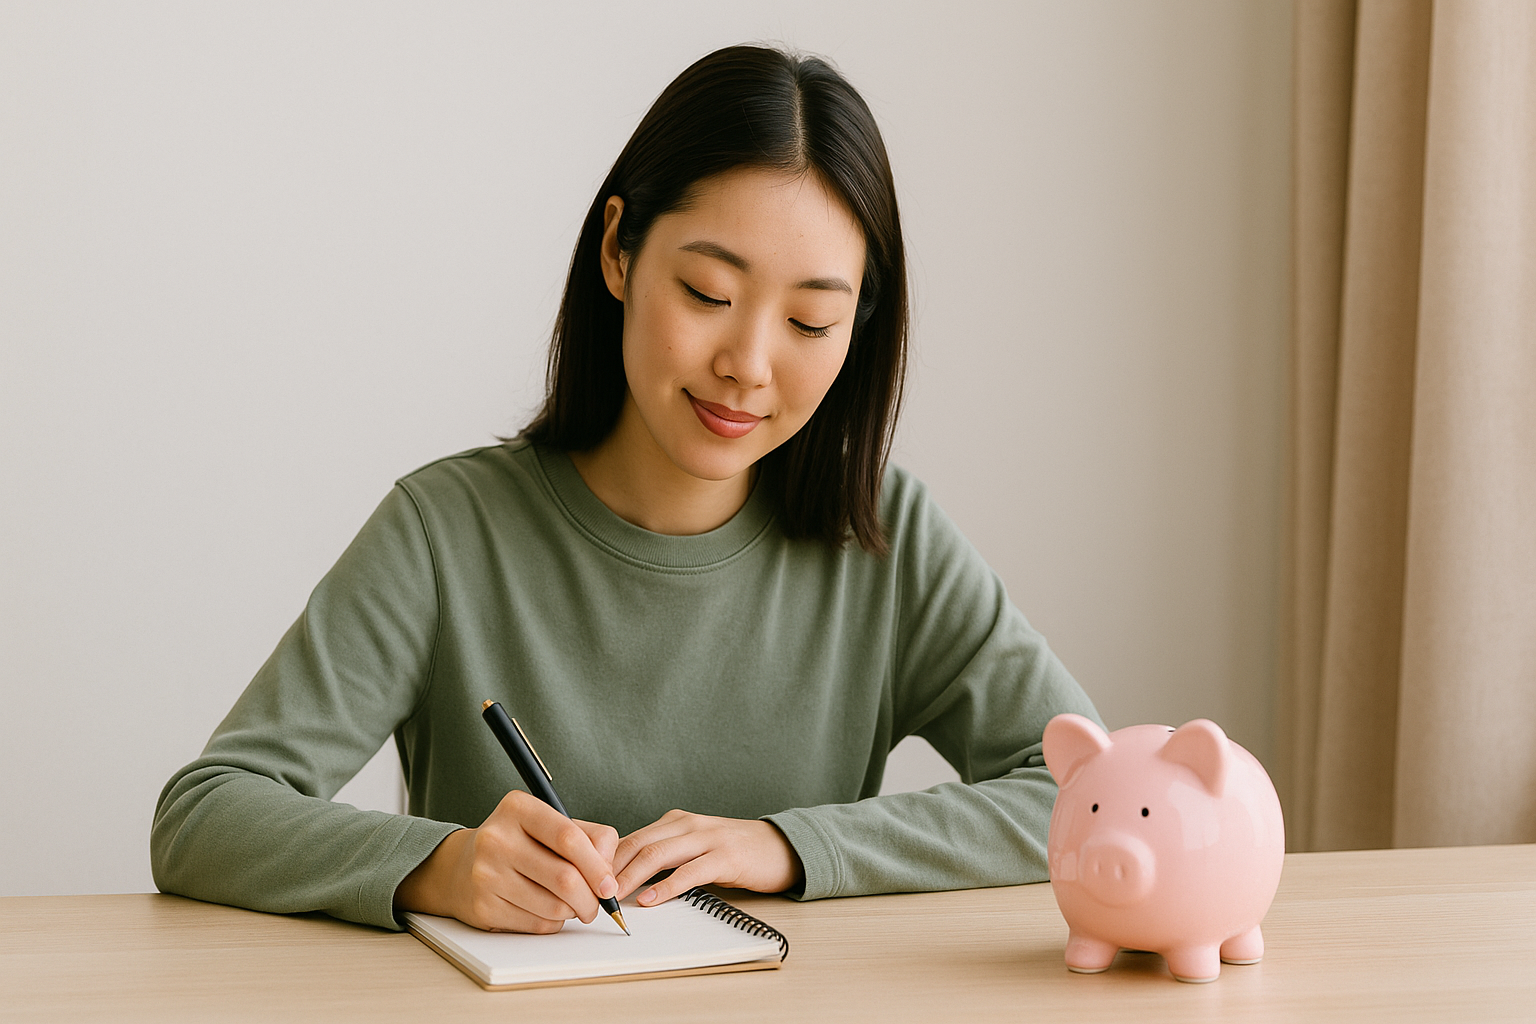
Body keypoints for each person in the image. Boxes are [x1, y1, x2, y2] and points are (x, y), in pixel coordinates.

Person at [151, 44, 1102, 935]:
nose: (748, 365)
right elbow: (206, 813)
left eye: (812, 323)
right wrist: (444, 865)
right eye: (708, 296)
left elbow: (1080, 791)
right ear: (618, 251)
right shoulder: (445, 533)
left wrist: (789, 845)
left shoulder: (887, 539)